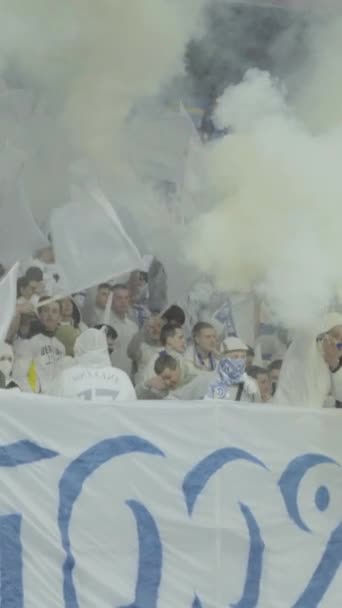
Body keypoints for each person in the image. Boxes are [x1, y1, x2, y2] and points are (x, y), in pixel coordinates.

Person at [274, 312, 342, 408]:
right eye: (336, 335)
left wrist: (334, 364)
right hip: (286, 413)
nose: (338, 344)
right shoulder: (306, 346)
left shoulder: (332, 366)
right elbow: (308, 328)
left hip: (310, 418)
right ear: (324, 335)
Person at [51, 328, 136, 401]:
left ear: (77, 348)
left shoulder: (65, 377)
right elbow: (131, 410)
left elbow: (51, 409)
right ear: (105, 348)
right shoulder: (122, 377)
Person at [12, 297, 66, 393]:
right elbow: (19, 376)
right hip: (38, 398)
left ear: (60, 318)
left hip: (58, 397)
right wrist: (33, 397)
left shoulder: (61, 346)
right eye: (46, 310)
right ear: (39, 314)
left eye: (54, 311)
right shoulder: (29, 342)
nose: (50, 314)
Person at [206, 336, 259, 402]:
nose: (240, 361)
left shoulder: (251, 384)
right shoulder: (207, 380)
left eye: (243, 357)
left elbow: (256, 408)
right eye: (235, 357)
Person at [136, 353, 209, 400]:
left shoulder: (195, 377)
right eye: (163, 378)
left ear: (177, 368)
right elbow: (133, 397)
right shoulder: (161, 386)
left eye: (168, 377)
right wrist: (146, 385)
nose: (167, 382)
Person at [127, 313, 165, 385]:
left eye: (159, 326)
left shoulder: (168, 348)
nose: (156, 329)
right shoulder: (142, 346)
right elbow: (131, 353)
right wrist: (142, 330)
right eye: (152, 327)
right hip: (142, 389)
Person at [109, 285, 138, 376]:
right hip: (110, 377)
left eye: (126, 298)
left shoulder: (133, 327)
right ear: (112, 300)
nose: (123, 302)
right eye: (119, 298)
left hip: (129, 378)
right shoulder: (104, 325)